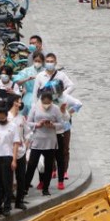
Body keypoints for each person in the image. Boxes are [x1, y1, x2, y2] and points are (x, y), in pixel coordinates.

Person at [33, 53, 75, 190]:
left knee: (60, 152)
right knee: (43, 154)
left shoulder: (61, 76)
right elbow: (35, 95)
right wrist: (35, 111)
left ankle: (61, 179)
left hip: (58, 118)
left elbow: (71, 86)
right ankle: (42, 180)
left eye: (52, 61)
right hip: (43, 115)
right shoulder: (40, 77)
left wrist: (62, 96)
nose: (50, 63)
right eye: (48, 61)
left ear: (55, 62)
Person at [26, 91, 67, 196]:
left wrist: (53, 125)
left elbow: (62, 124)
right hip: (37, 140)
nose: (46, 105)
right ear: (41, 100)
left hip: (50, 141)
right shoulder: (35, 107)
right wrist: (37, 124)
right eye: (44, 103)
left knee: (49, 166)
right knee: (31, 164)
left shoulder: (56, 109)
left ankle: (46, 188)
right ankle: (25, 187)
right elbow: (28, 122)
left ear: (52, 101)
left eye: (48, 103)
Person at [0, 108, 21, 216]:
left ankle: (7, 206)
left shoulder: (13, 126)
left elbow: (16, 143)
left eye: (1, 117)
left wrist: (14, 160)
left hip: (7, 156)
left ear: (6, 116)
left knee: (7, 182)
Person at [7, 93, 31, 209]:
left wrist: (26, 146)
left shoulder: (22, 118)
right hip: (8, 152)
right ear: (13, 102)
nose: (20, 103)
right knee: (8, 177)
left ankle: (19, 200)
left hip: (21, 152)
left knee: (21, 177)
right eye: (18, 101)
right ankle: (7, 198)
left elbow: (28, 133)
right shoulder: (6, 117)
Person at [14, 51, 45, 116]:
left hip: (42, 97)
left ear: (42, 62)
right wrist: (27, 79)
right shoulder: (26, 71)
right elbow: (17, 82)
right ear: (33, 60)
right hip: (28, 97)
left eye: (39, 61)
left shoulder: (45, 72)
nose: (37, 62)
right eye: (36, 60)